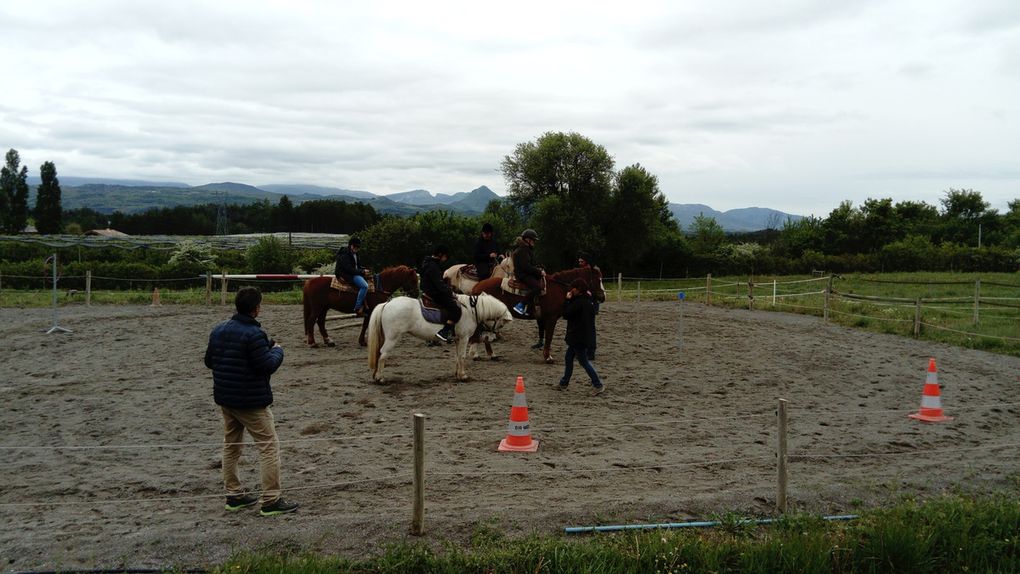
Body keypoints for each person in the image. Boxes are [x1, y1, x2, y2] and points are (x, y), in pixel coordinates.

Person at [204, 286, 298, 516]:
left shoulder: (218, 329)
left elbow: (209, 361)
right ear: (256, 309)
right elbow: (267, 365)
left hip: (226, 399)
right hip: (251, 402)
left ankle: (234, 495)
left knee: (231, 446)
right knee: (268, 446)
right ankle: (271, 500)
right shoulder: (254, 333)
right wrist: (278, 351)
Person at [557, 278, 604, 395]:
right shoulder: (588, 301)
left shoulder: (578, 303)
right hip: (583, 336)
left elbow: (566, 314)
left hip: (578, 337)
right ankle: (564, 382)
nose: (571, 290)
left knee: (583, 361)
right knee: (569, 358)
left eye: (573, 288)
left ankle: (598, 384)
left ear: (578, 289)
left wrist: (567, 300)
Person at [420, 244, 462, 342]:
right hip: (435, 293)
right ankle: (445, 331)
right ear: (440, 254)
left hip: (430, 290)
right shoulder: (433, 266)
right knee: (456, 309)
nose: (446, 258)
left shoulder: (428, 263)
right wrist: (450, 292)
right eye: (445, 256)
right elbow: (439, 285)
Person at [511, 228, 544, 317]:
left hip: (525, 273)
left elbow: (531, 263)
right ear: (528, 240)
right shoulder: (523, 250)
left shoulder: (525, 249)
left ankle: (530, 308)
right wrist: (539, 272)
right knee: (537, 287)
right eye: (533, 240)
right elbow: (526, 267)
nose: (534, 242)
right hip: (523, 275)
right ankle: (521, 305)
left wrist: (539, 268)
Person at [335, 236, 371, 317]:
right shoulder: (345, 254)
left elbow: (356, 266)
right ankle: (357, 308)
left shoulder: (355, 253)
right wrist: (362, 271)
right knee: (364, 286)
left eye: (358, 247)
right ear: (351, 245)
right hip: (345, 274)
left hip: (352, 272)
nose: (357, 248)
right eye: (356, 246)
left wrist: (363, 269)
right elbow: (348, 269)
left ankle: (365, 304)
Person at [576, 252, 598, 360]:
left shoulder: (593, 273)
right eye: (579, 261)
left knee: (590, 328)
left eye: (582, 261)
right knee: (581, 327)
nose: (580, 263)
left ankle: (591, 351)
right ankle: (582, 350)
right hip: (582, 303)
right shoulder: (581, 272)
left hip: (591, 303)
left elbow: (597, 288)